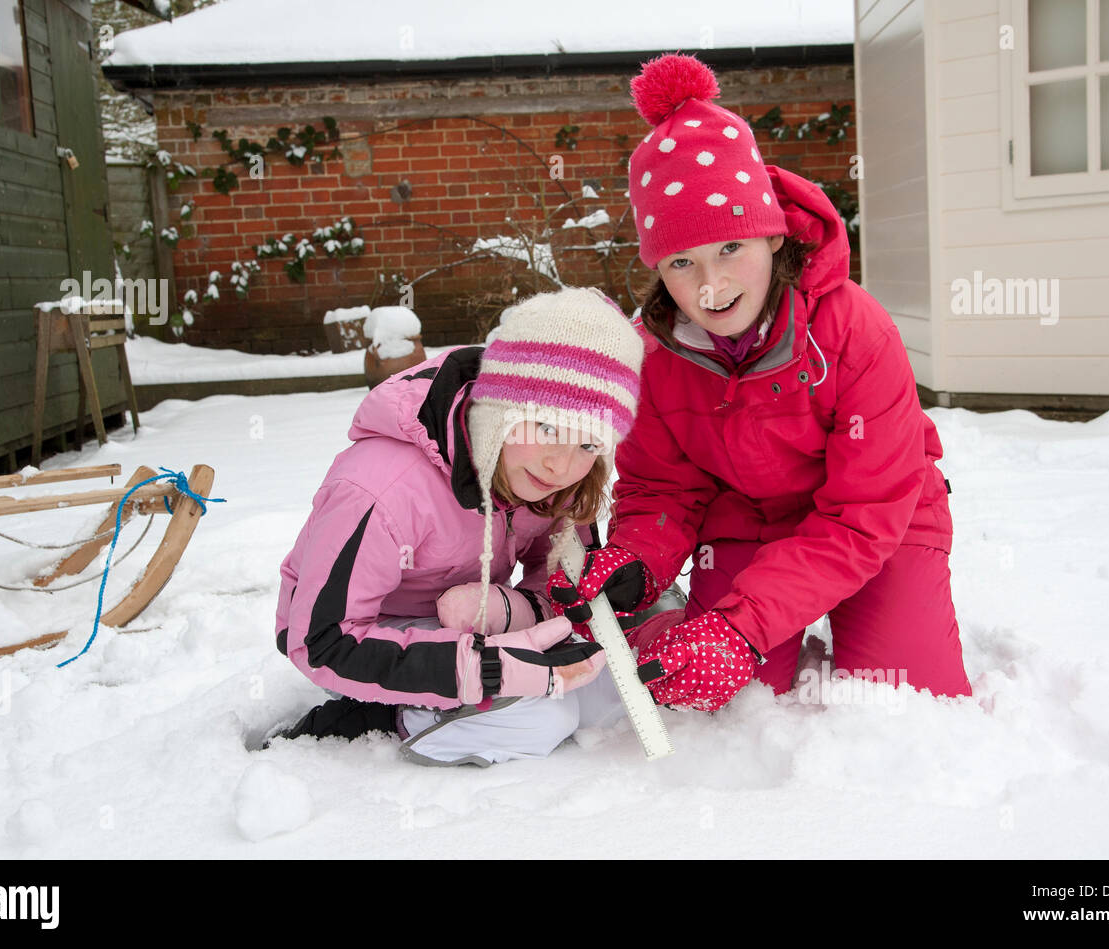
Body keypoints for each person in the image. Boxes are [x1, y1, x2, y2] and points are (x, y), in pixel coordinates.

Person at [547, 54, 972, 712]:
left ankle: (858, 618)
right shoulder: (655, 355)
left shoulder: (856, 332)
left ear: (773, 237)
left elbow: (863, 514)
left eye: (731, 248)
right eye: (682, 262)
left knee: (906, 698)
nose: (710, 285)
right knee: (729, 698)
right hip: (749, 521)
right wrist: (637, 561)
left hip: (882, 519)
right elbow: (664, 485)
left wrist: (744, 623)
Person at [270, 287, 641, 765]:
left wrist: (520, 608)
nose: (560, 464)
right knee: (541, 719)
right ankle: (384, 714)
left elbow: (563, 580)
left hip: (471, 614)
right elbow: (320, 640)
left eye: (589, 445)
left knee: (605, 686)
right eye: (547, 428)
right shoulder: (381, 488)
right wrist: (482, 669)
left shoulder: (557, 475)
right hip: (362, 632)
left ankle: (475, 690)